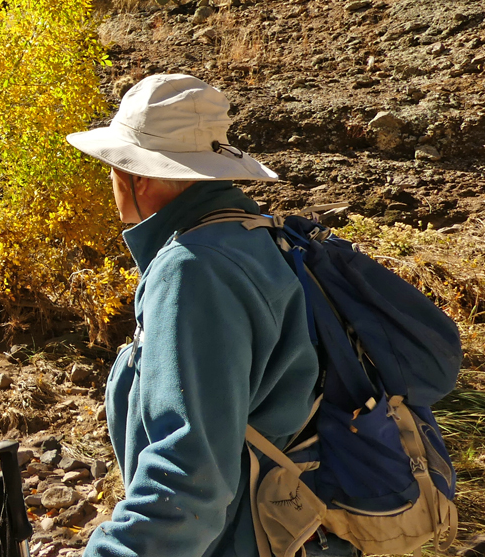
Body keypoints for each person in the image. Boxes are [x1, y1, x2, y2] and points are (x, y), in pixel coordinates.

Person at [65, 74, 325, 557]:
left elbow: (189, 480)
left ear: (135, 175)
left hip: (242, 539)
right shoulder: (252, 233)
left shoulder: (192, 271)